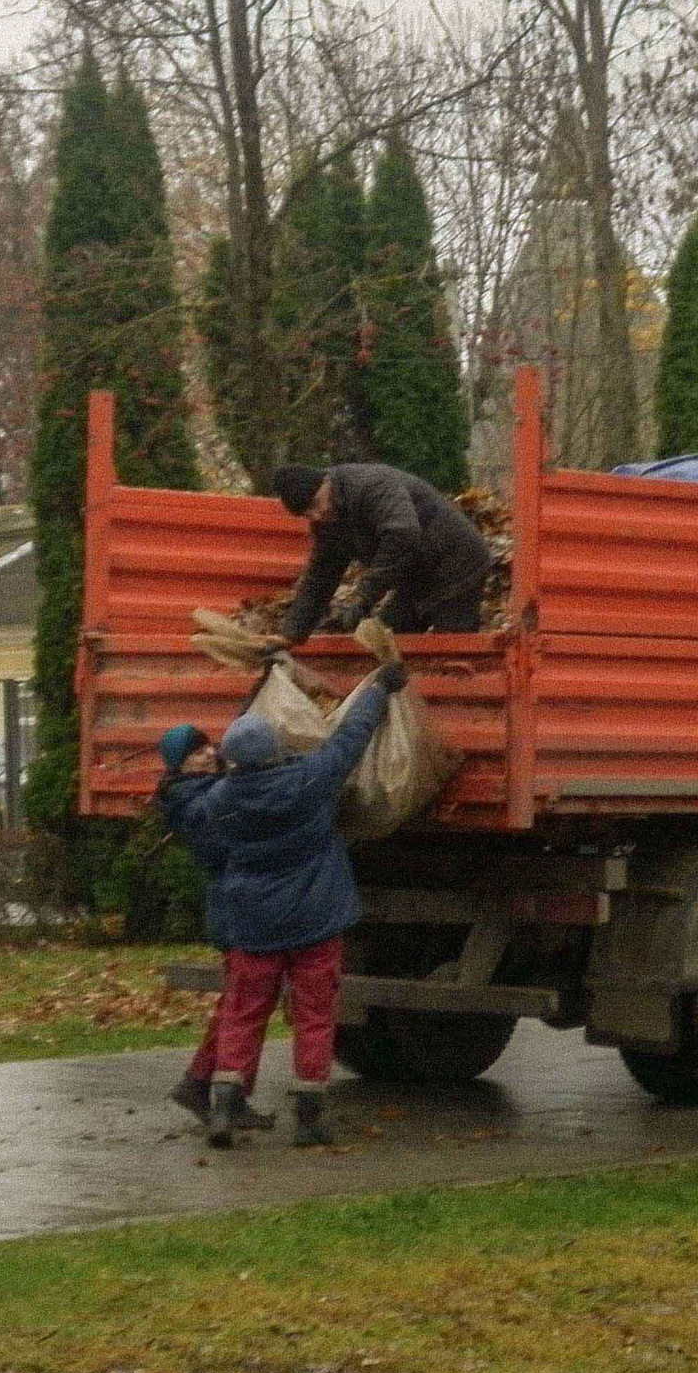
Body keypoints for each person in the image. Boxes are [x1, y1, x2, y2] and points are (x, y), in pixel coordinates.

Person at [182, 662, 403, 1148]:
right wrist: (379, 689)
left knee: (242, 1014)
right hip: (314, 921)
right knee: (315, 1015)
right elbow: (351, 739)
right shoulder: (308, 780)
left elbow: (188, 807)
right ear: (278, 751)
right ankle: (309, 1118)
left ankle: (223, 1110)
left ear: (231, 761)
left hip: (252, 927)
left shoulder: (217, 802)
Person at [157, 723, 273, 1135]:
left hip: (235, 907)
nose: (208, 754)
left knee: (240, 1003)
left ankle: (211, 1086)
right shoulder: (193, 801)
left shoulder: (197, 790)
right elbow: (229, 834)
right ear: (178, 764)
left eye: (208, 746)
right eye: (196, 752)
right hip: (236, 910)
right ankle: (215, 1087)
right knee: (244, 1004)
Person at [266, 463, 493, 646]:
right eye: (307, 514)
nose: (316, 515)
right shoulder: (327, 522)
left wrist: (364, 597)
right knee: (382, 646)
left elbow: (402, 535)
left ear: (325, 481)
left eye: (316, 504)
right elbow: (321, 576)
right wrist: (292, 633)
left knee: (451, 654)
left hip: (457, 566)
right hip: (415, 579)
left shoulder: (371, 486)